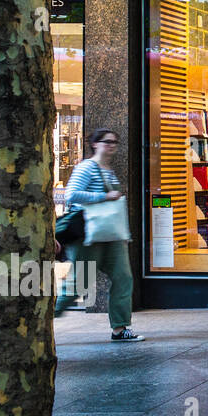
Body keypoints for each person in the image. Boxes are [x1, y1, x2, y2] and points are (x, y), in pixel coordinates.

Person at [54, 129, 143, 342]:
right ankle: (45, 316)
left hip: (111, 234)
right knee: (80, 283)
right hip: (90, 235)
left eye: (115, 142)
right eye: (107, 141)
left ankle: (120, 329)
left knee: (123, 278)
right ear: (95, 144)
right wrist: (104, 196)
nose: (112, 145)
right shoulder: (86, 168)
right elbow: (72, 195)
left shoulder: (109, 170)